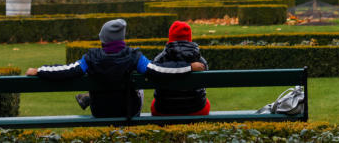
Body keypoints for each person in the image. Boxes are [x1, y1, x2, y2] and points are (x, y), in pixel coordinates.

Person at [26, 19, 205, 117]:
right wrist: (188, 67)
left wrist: (40, 70)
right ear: (122, 39)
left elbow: (68, 70)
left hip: (100, 111)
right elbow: (159, 70)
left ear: (103, 39)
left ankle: (88, 98)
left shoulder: (90, 57)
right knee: (139, 81)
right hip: (127, 110)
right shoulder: (134, 56)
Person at [151, 21, 211, 116]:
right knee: (206, 102)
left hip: (164, 110)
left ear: (170, 37)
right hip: (196, 109)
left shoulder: (160, 58)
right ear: (189, 38)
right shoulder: (199, 60)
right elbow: (205, 84)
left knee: (154, 103)